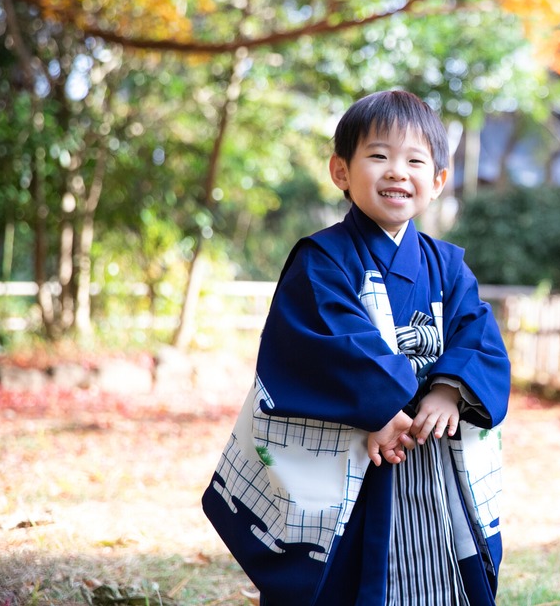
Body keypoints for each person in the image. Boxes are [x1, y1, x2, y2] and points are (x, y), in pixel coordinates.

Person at [202, 90, 511, 606]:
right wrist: (380, 408)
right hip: (355, 447)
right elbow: (322, 342)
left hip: (431, 454)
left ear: (436, 182)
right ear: (341, 171)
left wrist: (449, 393)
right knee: (346, 578)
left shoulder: (449, 266)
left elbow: (477, 336)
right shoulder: (322, 259)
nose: (396, 171)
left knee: (440, 569)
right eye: (378, 155)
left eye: (415, 160)